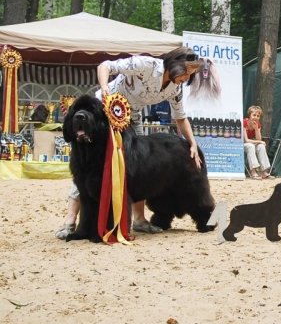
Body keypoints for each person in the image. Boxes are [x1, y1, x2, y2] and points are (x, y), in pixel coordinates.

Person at [55, 47, 204, 239]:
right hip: (101, 113)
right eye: (186, 73)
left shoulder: (175, 89)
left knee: (136, 169)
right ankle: (70, 221)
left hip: (131, 118)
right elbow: (105, 66)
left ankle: (140, 220)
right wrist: (105, 88)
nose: (186, 78)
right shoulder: (146, 65)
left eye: (190, 75)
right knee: (89, 169)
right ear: (175, 65)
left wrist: (192, 143)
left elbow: (180, 118)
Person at [243, 105, 273, 180]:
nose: (256, 117)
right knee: (250, 146)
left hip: (252, 142)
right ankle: (253, 172)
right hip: (242, 143)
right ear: (249, 115)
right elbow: (246, 140)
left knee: (261, 146)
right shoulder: (244, 122)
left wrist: (256, 129)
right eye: (254, 115)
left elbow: (258, 138)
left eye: (258, 116)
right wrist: (260, 141)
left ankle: (264, 172)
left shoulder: (257, 124)